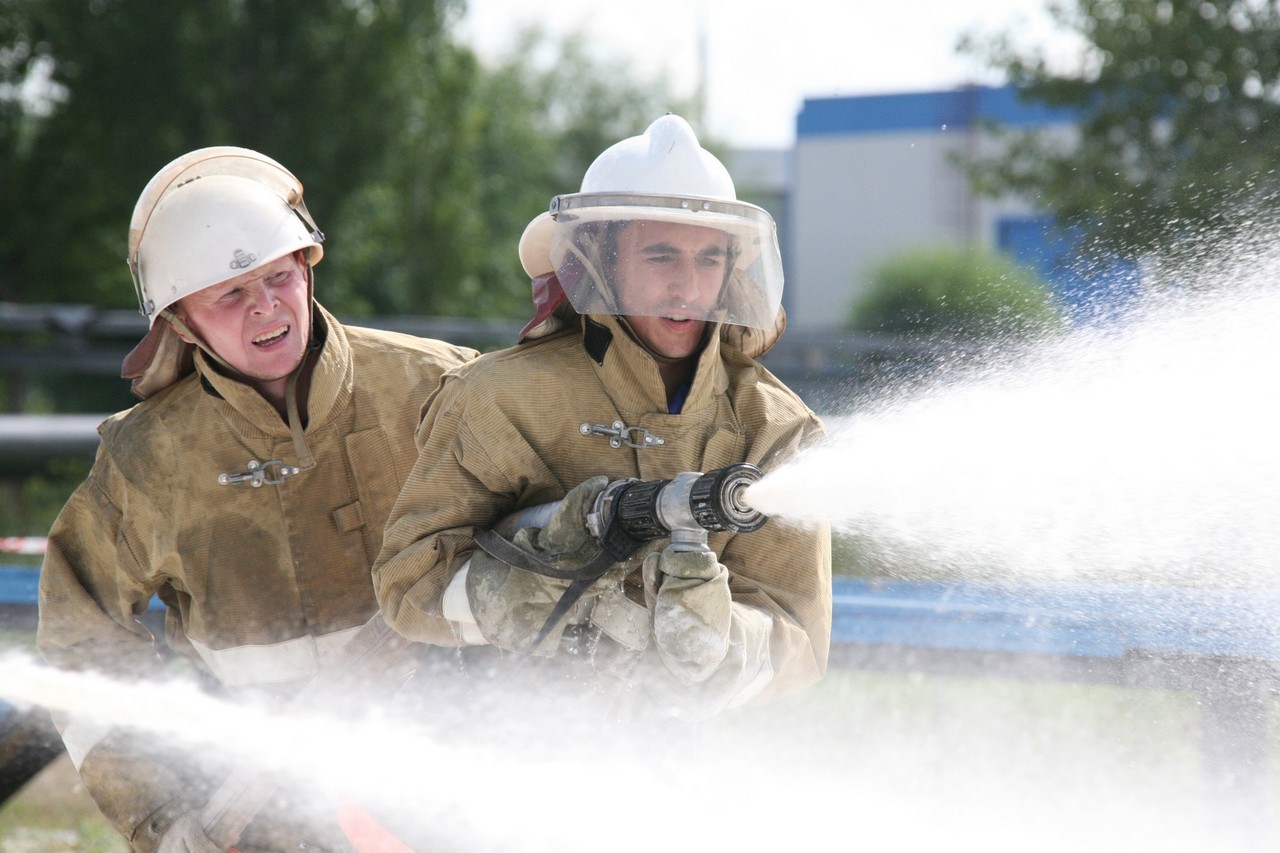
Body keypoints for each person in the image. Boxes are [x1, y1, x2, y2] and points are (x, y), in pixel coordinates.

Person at [36, 147, 478, 852]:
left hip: (457, 782)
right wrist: (164, 814)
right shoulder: (147, 459)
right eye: (230, 294)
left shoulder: (437, 389)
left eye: (277, 276)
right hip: (257, 815)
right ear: (181, 322)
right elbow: (82, 647)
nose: (266, 306)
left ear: (307, 267)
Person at [372, 115, 831, 739]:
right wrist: (539, 580)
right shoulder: (499, 399)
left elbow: (797, 640)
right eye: (660, 254)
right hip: (493, 742)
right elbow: (408, 586)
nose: (688, 285)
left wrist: (718, 648)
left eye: (708, 259)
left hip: (669, 763)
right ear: (599, 262)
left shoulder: (776, 430)